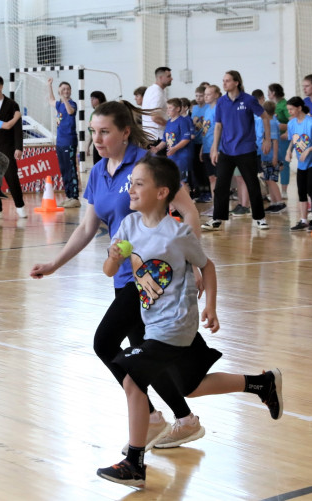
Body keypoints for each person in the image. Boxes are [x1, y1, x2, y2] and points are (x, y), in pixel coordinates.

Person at [30, 100, 207, 455]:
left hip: (155, 277)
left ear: (125, 132)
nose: (97, 139)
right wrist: (55, 264)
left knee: (105, 342)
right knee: (146, 354)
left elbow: (188, 211)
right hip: (125, 277)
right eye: (93, 132)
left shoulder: (149, 165)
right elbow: (87, 228)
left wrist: (194, 264)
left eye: (105, 132)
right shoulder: (98, 172)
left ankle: (152, 419)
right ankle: (184, 418)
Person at [95, 154, 283, 487]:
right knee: (190, 387)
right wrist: (112, 258)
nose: (131, 189)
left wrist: (211, 307)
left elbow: (207, 266)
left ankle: (134, 463)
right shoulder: (130, 226)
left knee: (132, 378)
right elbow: (109, 271)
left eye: (139, 184)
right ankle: (261, 383)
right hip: (155, 324)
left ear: (161, 192)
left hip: (175, 325)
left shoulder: (176, 233)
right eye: (131, 183)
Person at [204, 70, 271, 231]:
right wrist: (214, 148)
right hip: (226, 150)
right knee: (221, 186)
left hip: (246, 149)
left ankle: (260, 218)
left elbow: (265, 117)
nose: (224, 83)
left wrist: (267, 139)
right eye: (223, 80)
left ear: (236, 82)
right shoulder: (221, 102)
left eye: (227, 80)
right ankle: (217, 218)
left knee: (252, 184)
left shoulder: (248, 100)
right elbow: (218, 126)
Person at [0, 75, 27, 220]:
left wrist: (18, 147)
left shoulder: (12, 105)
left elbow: (17, 128)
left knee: (11, 177)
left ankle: (20, 206)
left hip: (7, 146)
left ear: (1, 87)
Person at [285, 97, 312, 231]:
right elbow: (293, 140)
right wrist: (288, 150)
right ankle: (303, 220)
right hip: (301, 163)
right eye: (288, 109)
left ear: (299, 108)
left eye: (291, 109)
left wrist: (309, 149)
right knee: (301, 190)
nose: (289, 112)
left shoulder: (311, 123)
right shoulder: (291, 124)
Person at [47, 77, 80, 208]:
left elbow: (71, 111)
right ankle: (69, 196)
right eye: (63, 89)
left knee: (71, 169)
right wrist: (49, 86)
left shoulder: (72, 103)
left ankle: (75, 197)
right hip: (60, 142)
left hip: (69, 141)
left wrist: (64, 98)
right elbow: (51, 100)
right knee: (64, 170)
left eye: (68, 89)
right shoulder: (59, 104)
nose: (66, 91)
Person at [151, 98, 193, 189]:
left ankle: (186, 198)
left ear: (178, 109)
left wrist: (175, 148)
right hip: (172, 156)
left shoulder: (183, 121)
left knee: (182, 181)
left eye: (170, 108)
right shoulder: (169, 122)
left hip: (181, 156)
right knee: (173, 180)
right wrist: (157, 148)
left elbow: (186, 139)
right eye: (167, 108)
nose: (168, 110)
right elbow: (165, 140)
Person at [198, 85, 221, 215]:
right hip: (206, 147)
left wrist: (215, 148)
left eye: (208, 94)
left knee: (217, 178)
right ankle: (214, 205)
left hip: (216, 148)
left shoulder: (218, 109)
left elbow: (220, 129)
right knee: (211, 178)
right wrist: (202, 148)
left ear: (216, 95)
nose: (205, 97)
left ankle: (219, 206)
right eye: (205, 94)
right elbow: (206, 131)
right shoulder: (207, 110)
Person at [261, 101, 286, 213]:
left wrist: (275, 157)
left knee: (271, 180)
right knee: (267, 180)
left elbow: (275, 141)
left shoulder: (271, 123)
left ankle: (280, 202)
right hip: (266, 156)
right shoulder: (271, 121)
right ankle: (273, 203)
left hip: (272, 156)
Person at [268, 83, 291, 198]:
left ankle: (284, 191)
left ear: (273, 93)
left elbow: (293, 121)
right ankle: (273, 191)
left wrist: (286, 131)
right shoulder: (272, 105)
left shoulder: (284, 105)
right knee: (272, 162)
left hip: (282, 139)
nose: (267, 94)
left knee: (283, 163)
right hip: (273, 138)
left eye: (269, 92)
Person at [142, 67, 172, 146]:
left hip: (150, 135)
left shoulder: (151, 89)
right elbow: (155, 117)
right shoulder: (157, 93)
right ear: (160, 78)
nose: (171, 78)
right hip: (156, 137)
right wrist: (170, 125)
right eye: (168, 76)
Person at [88, 90, 107, 164]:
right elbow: (91, 132)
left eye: (94, 98)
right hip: (95, 144)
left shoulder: (105, 113)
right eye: (91, 98)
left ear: (99, 99)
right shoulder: (93, 114)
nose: (91, 100)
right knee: (96, 164)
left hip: (103, 142)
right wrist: (87, 146)